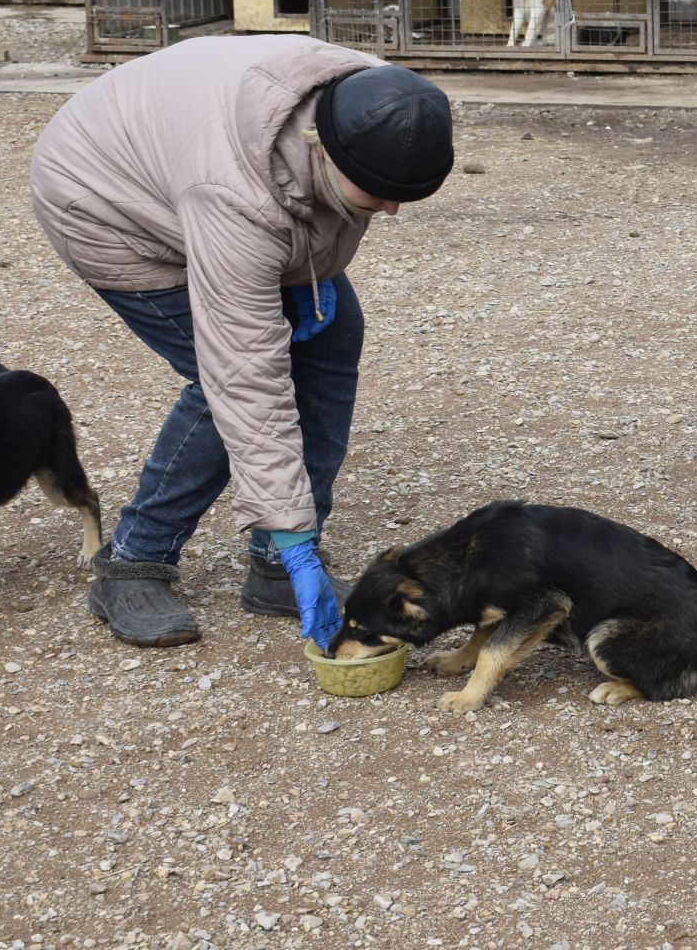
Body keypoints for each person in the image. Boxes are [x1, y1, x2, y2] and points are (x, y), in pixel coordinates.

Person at [29, 35, 454, 649]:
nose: (391, 210)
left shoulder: (385, 104)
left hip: (190, 156)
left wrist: (317, 267)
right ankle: (133, 561)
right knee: (224, 382)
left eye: (406, 194)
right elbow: (245, 377)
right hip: (107, 205)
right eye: (379, 193)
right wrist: (295, 538)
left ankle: (273, 567)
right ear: (324, 150)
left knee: (332, 340)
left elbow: (333, 205)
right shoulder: (234, 195)